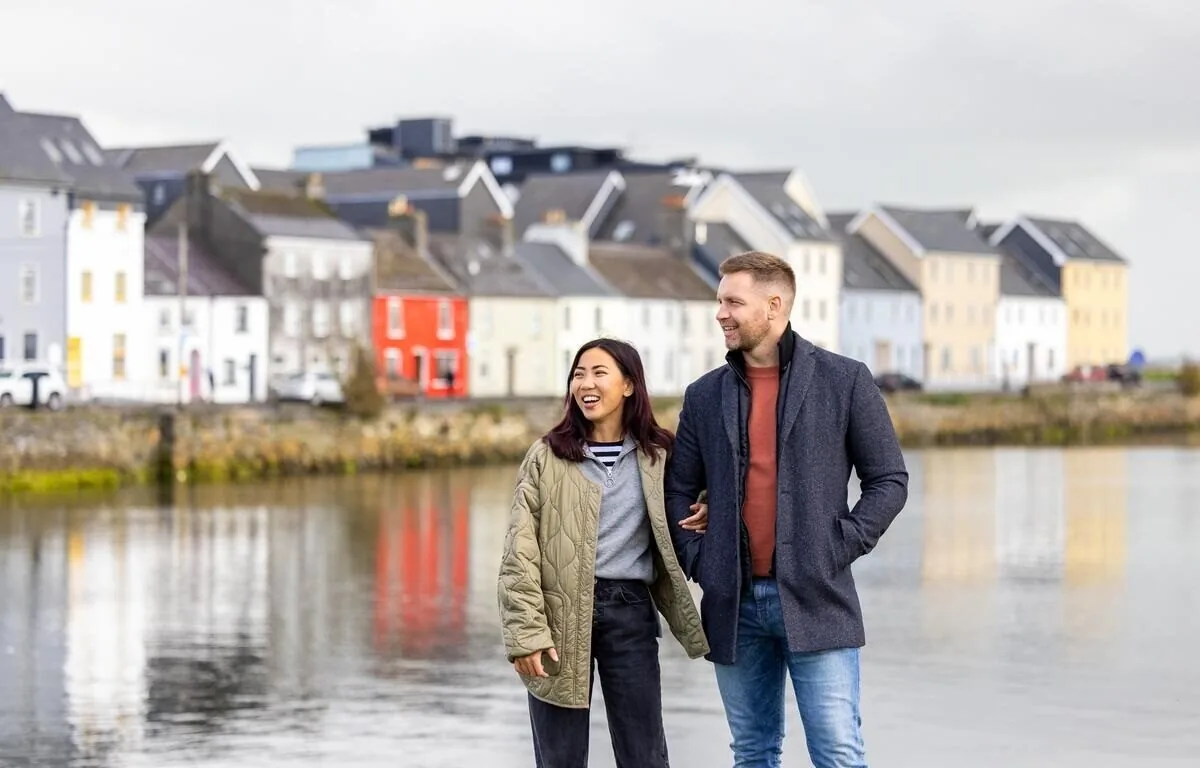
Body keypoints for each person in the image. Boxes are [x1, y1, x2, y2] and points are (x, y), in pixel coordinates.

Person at [664, 251, 909, 768]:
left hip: (819, 596)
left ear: (774, 305)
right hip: (734, 604)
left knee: (838, 754)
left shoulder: (845, 381)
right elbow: (678, 488)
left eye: (733, 301)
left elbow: (888, 480)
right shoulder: (704, 395)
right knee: (752, 753)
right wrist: (701, 560)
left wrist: (838, 544)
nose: (721, 313)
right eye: (719, 301)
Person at [498, 338, 711, 768]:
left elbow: (703, 487)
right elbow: (518, 553)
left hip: (630, 611)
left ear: (629, 385)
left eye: (599, 373)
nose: (585, 384)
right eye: (579, 374)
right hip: (556, 618)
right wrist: (526, 635)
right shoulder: (546, 456)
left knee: (644, 754)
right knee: (559, 758)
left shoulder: (661, 454)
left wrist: (708, 502)